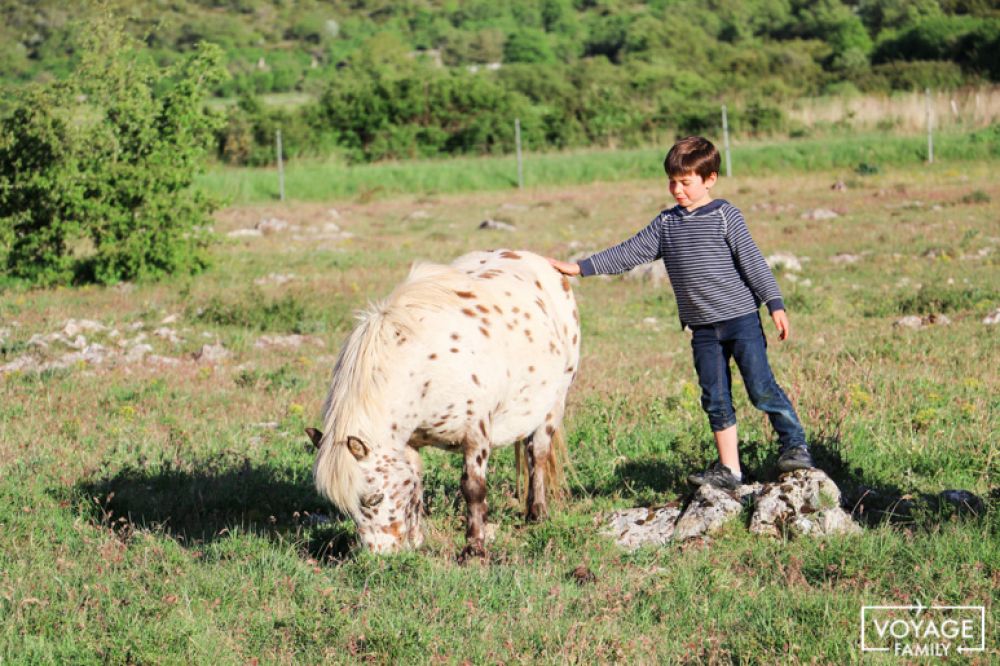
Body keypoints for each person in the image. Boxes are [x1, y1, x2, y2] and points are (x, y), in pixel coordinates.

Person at [548, 136, 814, 490]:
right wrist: (580, 268)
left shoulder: (725, 215)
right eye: (672, 181)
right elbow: (629, 252)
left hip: (741, 320)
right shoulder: (666, 224)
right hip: (703, 329)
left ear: (710, 179)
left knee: (761, 388)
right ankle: (730, 470)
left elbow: (753, 262)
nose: (677, 189)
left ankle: (795, 447)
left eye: (686, 182)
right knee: (715, 399)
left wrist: (774, 303)